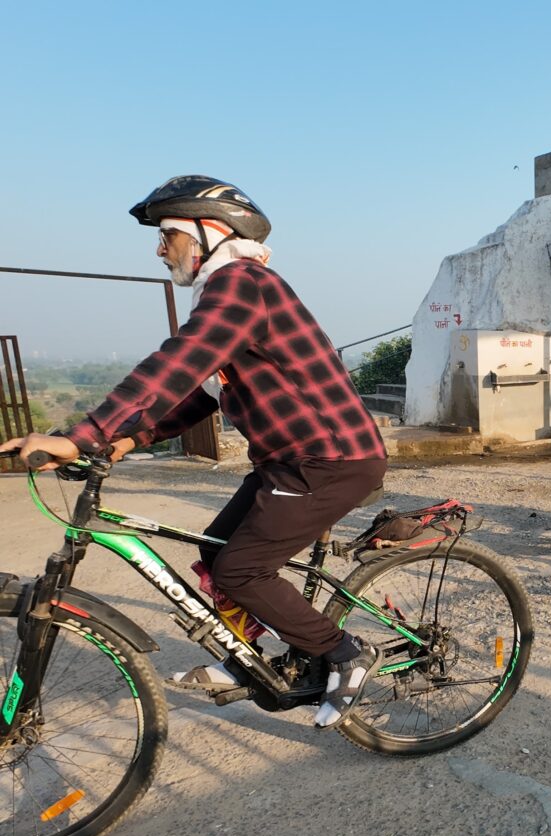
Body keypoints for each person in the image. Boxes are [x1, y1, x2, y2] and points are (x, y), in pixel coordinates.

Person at [0, 175, 388, 727]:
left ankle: (347, 653)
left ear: (210, 232)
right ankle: (247, 657)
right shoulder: (225, 290)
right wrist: (127, 439)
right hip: (287, 460)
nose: (160, 250)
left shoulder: (242, 283)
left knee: (242, 570)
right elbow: (202, 393)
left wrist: (82, 435)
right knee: (215, 552)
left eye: (168, 236)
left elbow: (177, 365)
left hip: (330, 460)